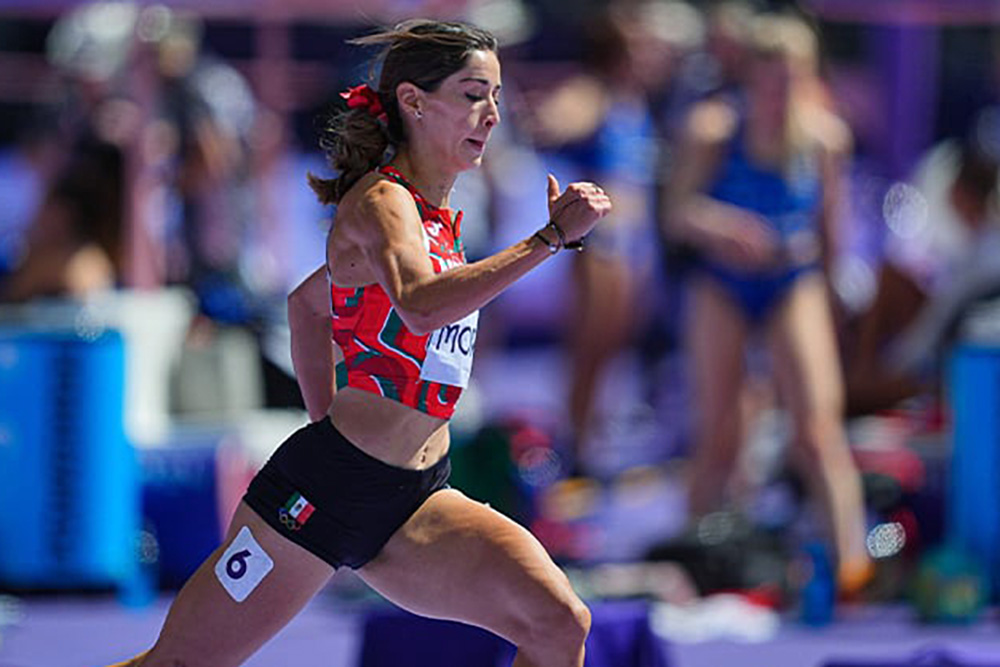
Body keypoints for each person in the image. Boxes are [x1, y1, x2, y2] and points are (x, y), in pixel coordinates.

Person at [107, 19, 611, 667]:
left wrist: (325, 415)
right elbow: (422, 307)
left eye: (496, 95)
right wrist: (547, 241)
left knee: (560, 622)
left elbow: (307, 305)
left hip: (417, 497)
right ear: (414, 100)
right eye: (472, 93)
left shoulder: (437, 215)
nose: (492, 114)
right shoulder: (383, 202)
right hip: (322, 491)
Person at [663, 13, 872, 595]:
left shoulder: (825, 138)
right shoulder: (713, 131)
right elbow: (677, 211)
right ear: (749, 78)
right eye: (770, 81)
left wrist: (837, 303)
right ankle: (691, 564)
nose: (781, 94)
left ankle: (851, 565)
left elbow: (832, 229)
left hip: (791, 279)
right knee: (719, 433)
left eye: (792, 80)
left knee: (817, 431)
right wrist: (722, 226)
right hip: (723, 283)